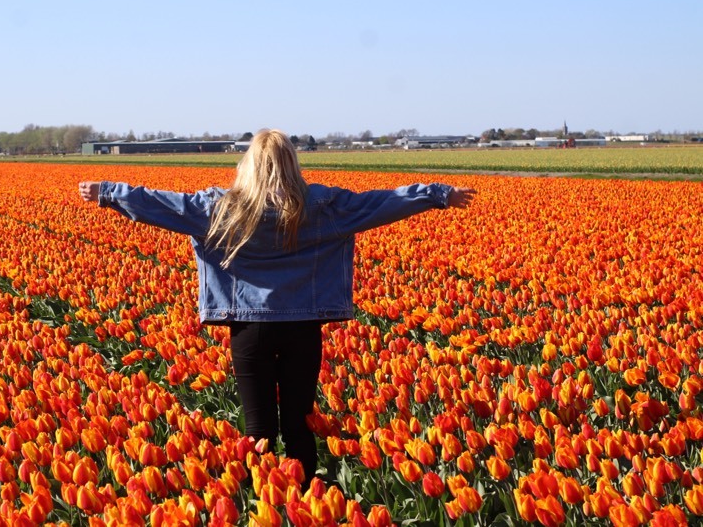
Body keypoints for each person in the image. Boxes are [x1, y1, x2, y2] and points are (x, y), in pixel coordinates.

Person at [78, 129, 475, 486]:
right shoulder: (324, 206)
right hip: (303, 325)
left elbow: (164, 205)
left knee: (259, 428)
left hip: (250, 328)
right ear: (292, 163)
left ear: (248, 166)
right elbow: (382, 203)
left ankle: (266, 503)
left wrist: (110, 193)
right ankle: (308, 499)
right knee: (300, 423)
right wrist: (437, 194)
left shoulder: (221, 207)